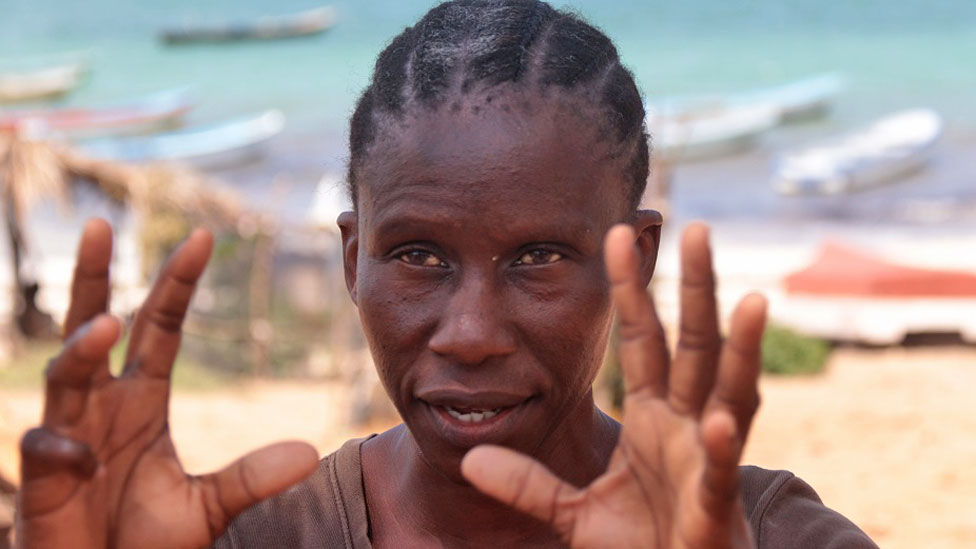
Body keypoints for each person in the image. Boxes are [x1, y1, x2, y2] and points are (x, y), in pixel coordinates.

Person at [16, 1, 878, 547]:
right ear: (354, 260)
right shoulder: (260, 537)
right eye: (419, 255)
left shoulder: (764, 535)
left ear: (633, 263)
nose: (469, 333)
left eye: (537, 256)